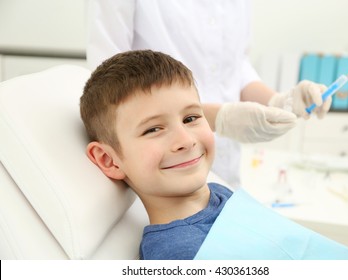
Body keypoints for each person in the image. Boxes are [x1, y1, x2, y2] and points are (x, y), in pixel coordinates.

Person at [86, 0, 331, 187]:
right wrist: (213, 118)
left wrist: (279, 101)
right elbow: (111, 89)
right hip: (163, 173)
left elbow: (237, 65)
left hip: (226, 170)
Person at [80, 49, 234, 259]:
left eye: (190, 118)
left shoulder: (220, 194)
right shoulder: (179, 255)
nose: (186, 141)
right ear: (110, 160)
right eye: (153, 129)